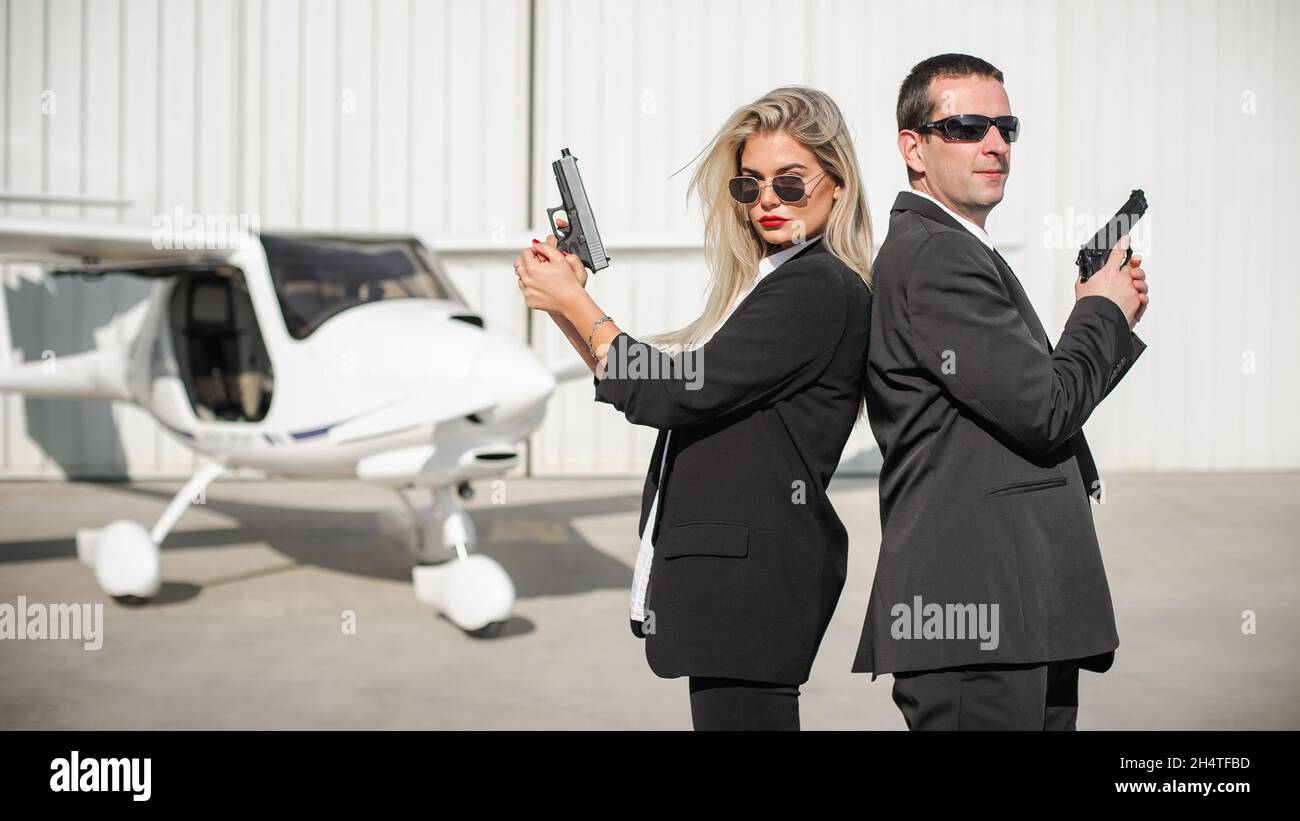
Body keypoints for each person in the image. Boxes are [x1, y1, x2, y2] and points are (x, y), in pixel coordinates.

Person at [514, 86, 873, 730]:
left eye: (790, 184)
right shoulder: (781, 279)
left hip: (752, 583)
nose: (767, 199)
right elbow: (667, 390)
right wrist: (568, 307)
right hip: (744, 579)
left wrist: (574, 304)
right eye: (749, 185)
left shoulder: (817, 286)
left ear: (838, 184)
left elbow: (676, 392)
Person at [851, 53, 1150, 730]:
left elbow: (1035, 398)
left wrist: (1102, 312)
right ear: (914, 148)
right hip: (978, 616)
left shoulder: (957, 247)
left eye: (1005, 127)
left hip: (1010, 611)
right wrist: (1099, 312)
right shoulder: (936, 254)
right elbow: (1046, 409)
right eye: (966, 125)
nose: (994, 143)